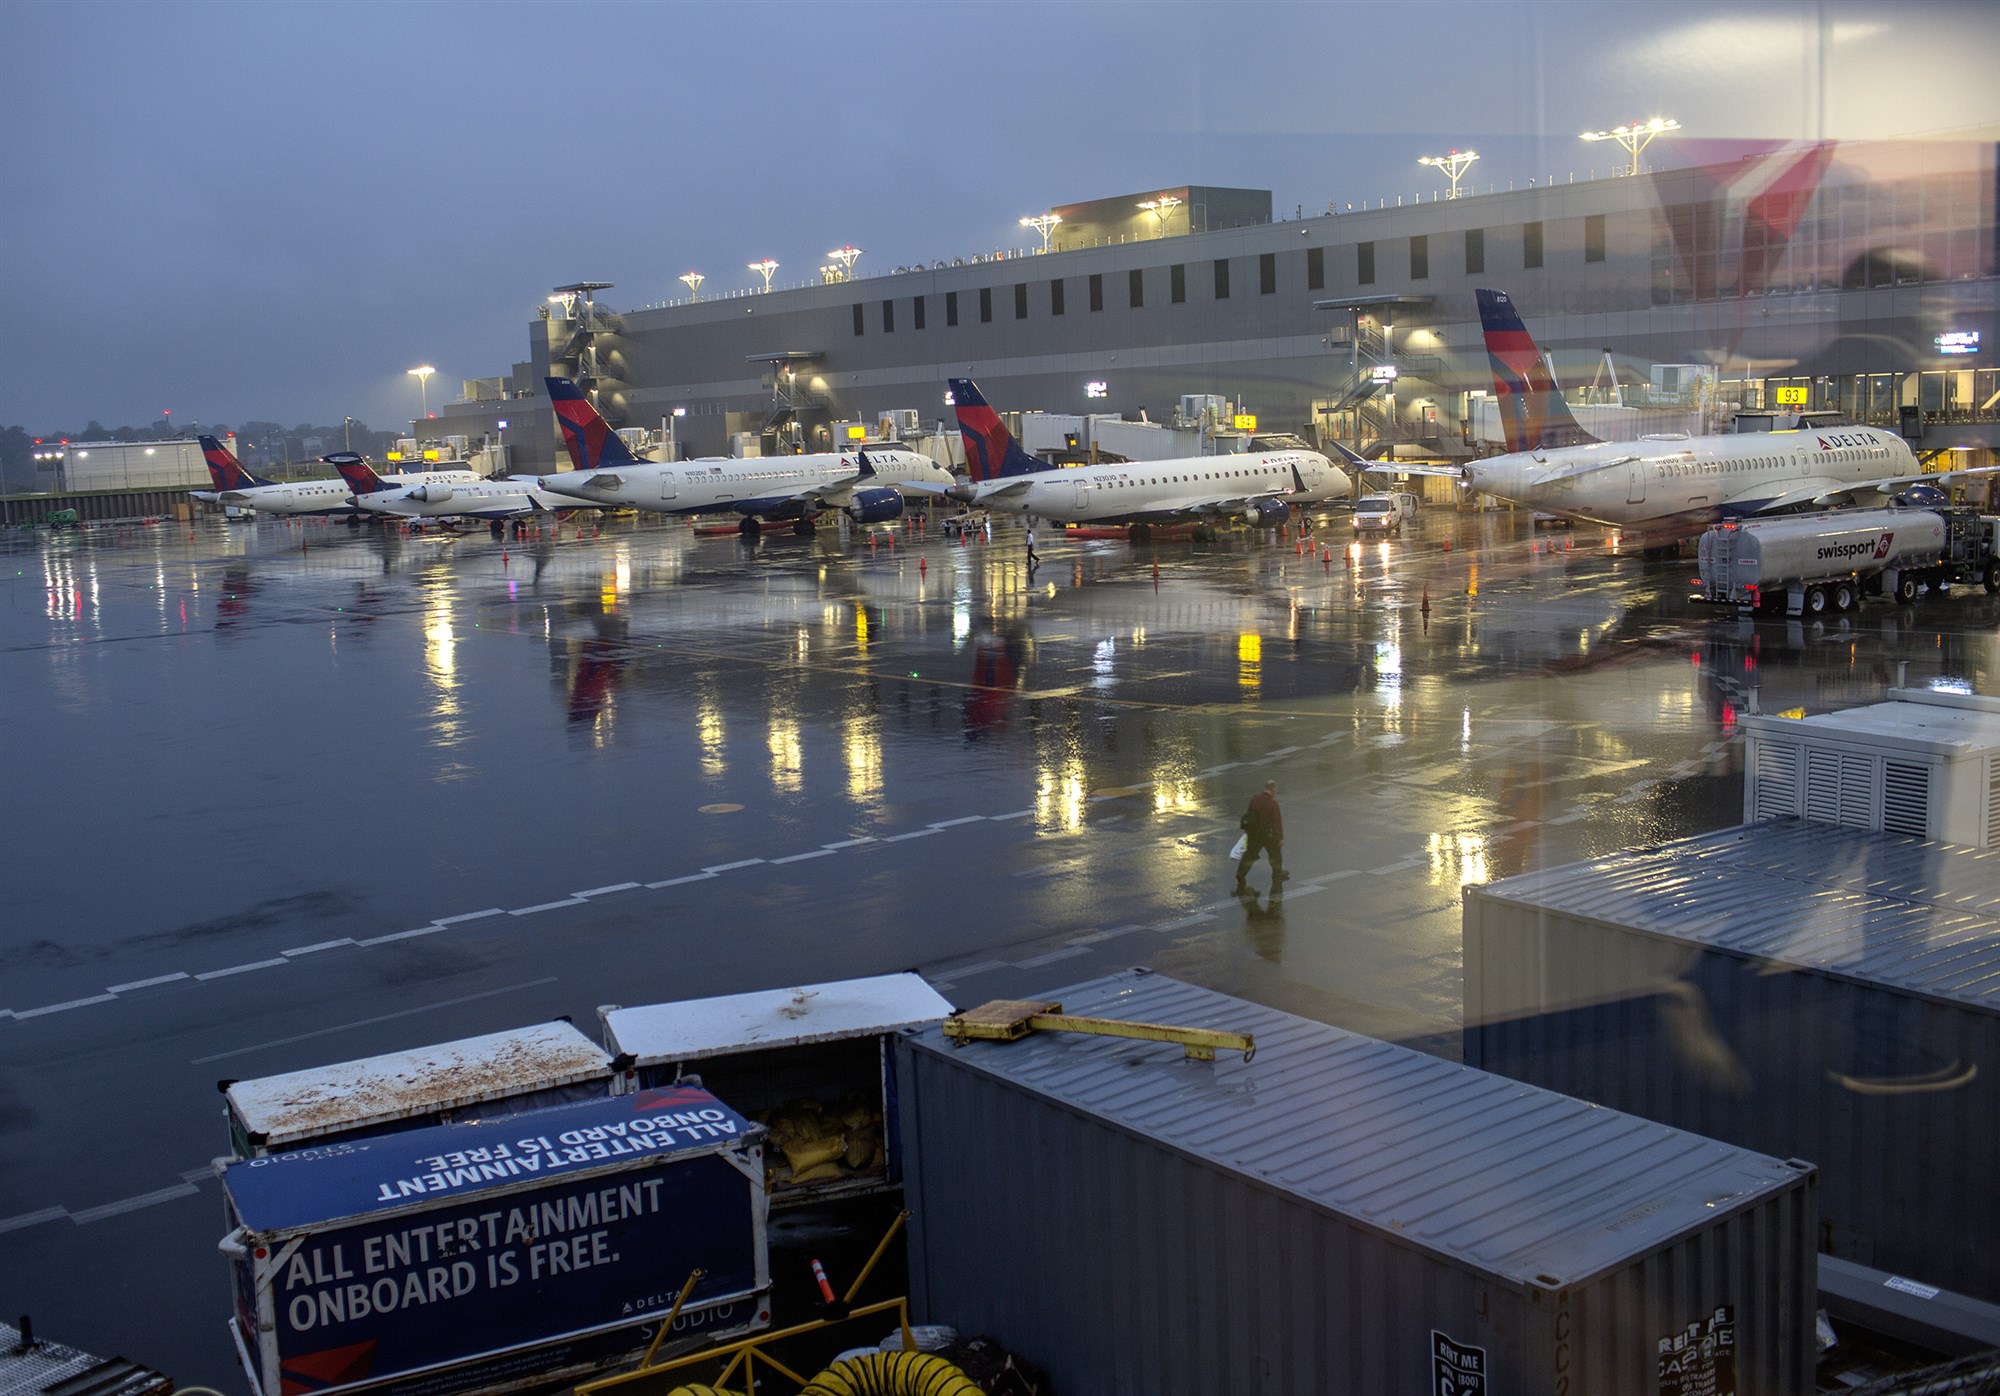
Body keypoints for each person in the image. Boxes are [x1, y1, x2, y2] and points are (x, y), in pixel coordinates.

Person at [1234, 779, 1287, 893]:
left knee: (1250, 855)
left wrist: (1248, 832)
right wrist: (1280, 837)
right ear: (1272, 789)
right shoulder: (1273, 804)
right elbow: (1276, 822)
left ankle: (1240, 874)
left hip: (1254, 834)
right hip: (1268, 835)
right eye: (1275, 789)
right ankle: (1277, 875)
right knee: (1275, 855)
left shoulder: (1254, 800)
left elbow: (1249, 815)